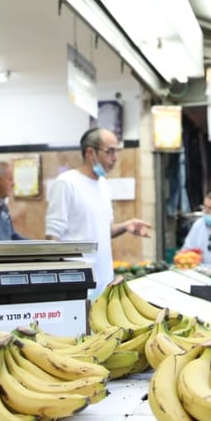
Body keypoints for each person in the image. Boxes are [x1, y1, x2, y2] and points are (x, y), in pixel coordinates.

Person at [44, 128, 152, 299]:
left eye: (117, 151)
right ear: (90, 152)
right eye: (110, 151)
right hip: (76, 283)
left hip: (103, 280)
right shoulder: (67, 183)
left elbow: (103, 231)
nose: (115, 157)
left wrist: (126, 226)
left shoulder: (102, 184)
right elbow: (52, 239)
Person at [0, 161, 25, 241]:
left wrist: (37, 246)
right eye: (10, 179)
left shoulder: (3, 207)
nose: (13, 183)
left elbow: (13, 236)